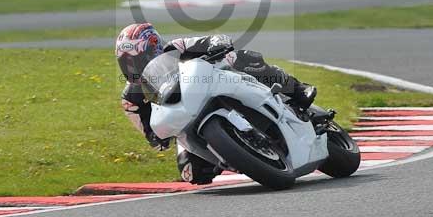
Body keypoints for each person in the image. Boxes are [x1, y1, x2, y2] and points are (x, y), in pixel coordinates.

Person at [115, 23, 316, 185]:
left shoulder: (177, 47)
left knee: (244, 58)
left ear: (155, 48)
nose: (134, 67)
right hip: (183, 119)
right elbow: (149, 133)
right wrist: (156, 137)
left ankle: (296, 88)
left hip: (216, 83)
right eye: (127, 63)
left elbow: (214, 40)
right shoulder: (131, 97)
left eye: (138, 60)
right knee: (193, 174)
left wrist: (217, 44)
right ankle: (233, 154)